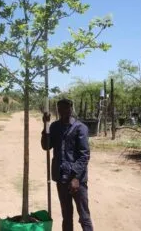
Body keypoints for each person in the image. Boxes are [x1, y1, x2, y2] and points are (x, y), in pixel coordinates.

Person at [41, 98, 93, 231]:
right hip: (61, 178)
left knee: (84, 216)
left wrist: (75, 177)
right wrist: (45, 125)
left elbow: (84, 155)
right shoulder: (54, 126)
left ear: (71, 108)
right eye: (60, 109)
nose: (63, 111)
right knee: (66, 215)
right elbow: (46, 146)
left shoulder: (80, 128)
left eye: (66, 108)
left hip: (77, 180)